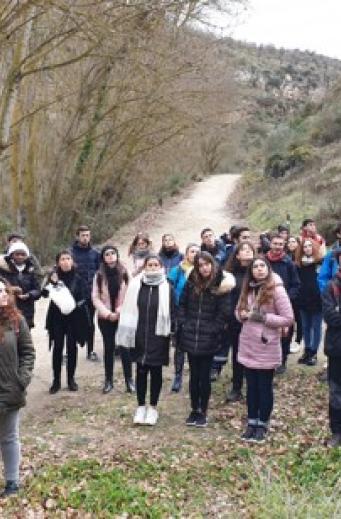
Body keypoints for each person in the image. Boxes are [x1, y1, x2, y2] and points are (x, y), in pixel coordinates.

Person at [236, 258, 293, 443]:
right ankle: (251, 422)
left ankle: (263, 423)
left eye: (262, 266)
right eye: (255, 267)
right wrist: (241, 315)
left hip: (266, 344)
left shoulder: (276, 288)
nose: (259, 270)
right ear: (251, 271)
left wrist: (260, 317)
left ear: (268, 269)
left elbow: (287, 318)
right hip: (248, 344)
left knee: (264, 387)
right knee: (251, 387)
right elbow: (238, 310)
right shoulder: (248, 288)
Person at [178, 252, 235, 428]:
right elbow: (182, 305)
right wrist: (184, 324)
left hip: (208, 338)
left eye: (207, 264)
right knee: (194, 376)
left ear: (212, 264)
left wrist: (212, 330)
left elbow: (224, 313)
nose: (204, 268)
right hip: (191, 335)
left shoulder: (220, 286)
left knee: (204, 376)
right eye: (200, 265)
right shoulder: (191, 283)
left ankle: (203, 410)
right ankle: (194, 409)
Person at [116, 254, 174, 426]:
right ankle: (141, 406)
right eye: (150, 265)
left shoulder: (166, 287)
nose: (153, 267)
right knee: (141, 371)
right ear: (145, 267)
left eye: (156, 264)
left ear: (161, 267)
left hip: (159, 336)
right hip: (139, 334)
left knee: (156, 372)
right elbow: (129, 308)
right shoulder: (136, 285)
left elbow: (173, 310)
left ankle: (153, 408)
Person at [0, 277, 35, 496]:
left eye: (4, 290)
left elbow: (28, 352)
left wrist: (21, 379)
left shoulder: (16, 320)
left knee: (9, 436)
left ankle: (12, 482)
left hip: (10, 388)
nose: (3, 294)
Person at [44, 250, 90, 393]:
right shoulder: (53, 277)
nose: (65, 261)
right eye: (62, 259)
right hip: (57, 317)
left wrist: (75, 305)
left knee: (72, 348)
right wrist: (51, 282)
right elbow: (44, 294)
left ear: (72, 261)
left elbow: (85, 296)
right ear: (58, 262)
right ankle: (56, 381)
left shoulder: (78, 277)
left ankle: (71, 379)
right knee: (57, 348)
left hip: (74, 317)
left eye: (68, 258)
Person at [92, 245, 134, 394]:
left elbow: (131, 294)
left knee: (125, 349)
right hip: (105, 317)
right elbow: (95, 298)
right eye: (107, 254)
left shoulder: (125, 273)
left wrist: (119, 311)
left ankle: (129, 380)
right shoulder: (98, 275)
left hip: (123, 315)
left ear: (117, 255)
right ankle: (108, 381)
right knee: (108, 348)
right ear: (103, 257)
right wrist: (107, 313)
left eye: (112, 253)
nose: (110, 256)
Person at [225, 241, 255, 402]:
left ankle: (253, 386)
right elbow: (226, 298)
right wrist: (230, 316)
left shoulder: (258, 271)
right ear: (237, 255)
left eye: (250, 249)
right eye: (243, 250)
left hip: (255, 320)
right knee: (237, 353)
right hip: (235, 320)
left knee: (254, 353)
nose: (247, 251)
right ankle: (236, 387)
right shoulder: (230, 275)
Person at [168, 243, 200, 392]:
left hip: (197, 313)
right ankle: (178, 376)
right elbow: (169, 289)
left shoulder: (204, 271)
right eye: (192, 251)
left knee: (196, 346)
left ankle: (196, 376)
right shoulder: (177, 270)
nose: (195, 254)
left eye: (197, 252)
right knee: (180, 346)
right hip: (179, 312)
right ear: (186, 254)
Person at [266, 234, 300, 373]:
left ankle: (282, 360)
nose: (278, 247)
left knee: (285, 334)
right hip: (266, 303)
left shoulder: (289, 263)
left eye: (280, 244)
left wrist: (287, 298)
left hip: (284, 304)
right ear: (270, 244)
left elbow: (296, 284)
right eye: (275, 243)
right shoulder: (263, 261)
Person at [71, 225, 100, 361]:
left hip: (90, 293)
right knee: (71, 322)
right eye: (83, 235)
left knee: (90, 322)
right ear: (77, 236)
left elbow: (100, 273)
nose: (85, 238)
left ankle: (91, 350)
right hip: (73, 294)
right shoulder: (70, 253)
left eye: (88, 235)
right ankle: (69, 351)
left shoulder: (95, 253)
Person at [321, 248, 341, 447]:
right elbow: (330, 317)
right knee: (336, 392)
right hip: (337, 348)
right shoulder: (331, 287)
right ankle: (337, 431)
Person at [295, 239, 323, 366]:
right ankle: (306, 350)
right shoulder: (299, 265)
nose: (307, 248)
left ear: (314, 247)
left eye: (309, 246)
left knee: (316, 327)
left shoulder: (320, 263)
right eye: (305, 246)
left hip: (317, 299)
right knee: (305, 326)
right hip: (303, 299)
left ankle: (314, 353)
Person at [0, 242, 41, 329]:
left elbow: (37, 290)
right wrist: (11, 290)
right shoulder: (3, 270)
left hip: (27, 311)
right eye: (17, 254)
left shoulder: (31, 270)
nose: (20, 257)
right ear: (11, 255)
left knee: (25, 338)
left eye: (23, 254)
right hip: (8, 310)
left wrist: (29, 295)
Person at [318, 222, 341, 294]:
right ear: (338, 234)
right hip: (337, 299)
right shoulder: (331, 255)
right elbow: (323, 278)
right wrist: (328, 297)